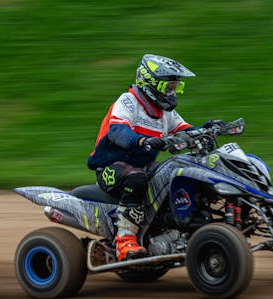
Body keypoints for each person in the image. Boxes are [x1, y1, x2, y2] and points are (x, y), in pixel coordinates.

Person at [87, 54, 219, 261]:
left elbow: (185, 131)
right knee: (136, 178)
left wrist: (208, 129)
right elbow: (117, 132)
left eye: (175, 88)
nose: (172, 92)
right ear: (148, 83)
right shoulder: (128, 101)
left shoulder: (164, 112)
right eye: (168, 87)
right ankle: (125, 241)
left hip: (144, 166)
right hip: (110, 169)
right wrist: (143, 141)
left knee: (179, 173)